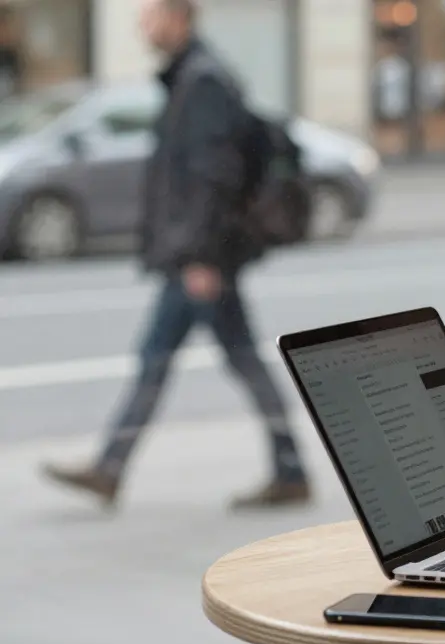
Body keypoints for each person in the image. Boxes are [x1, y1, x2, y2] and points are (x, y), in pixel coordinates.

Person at [41, 0, 310, 511]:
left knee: (206, 361)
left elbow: (214, 177)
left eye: (151, 15)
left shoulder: (203, 82)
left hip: (201, 259)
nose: (143, 25)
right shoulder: (191, 77)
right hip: (194, 256)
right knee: (168, 360)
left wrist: (202, 258)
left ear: (180, 18)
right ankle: (113, 467)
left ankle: (288, 469)